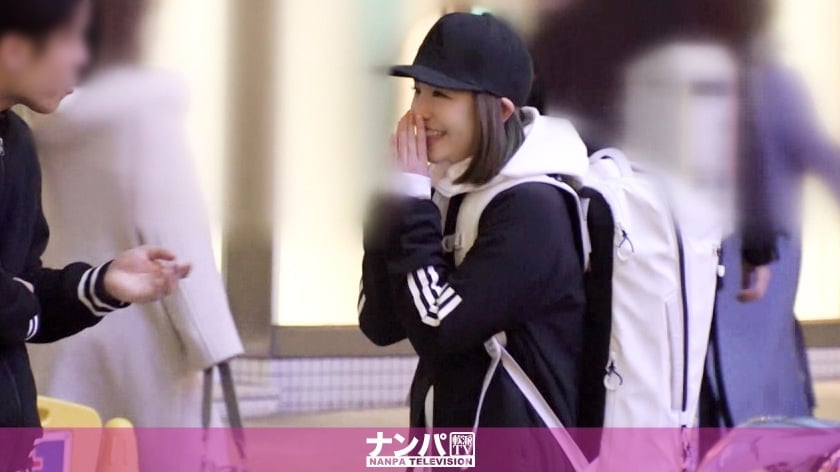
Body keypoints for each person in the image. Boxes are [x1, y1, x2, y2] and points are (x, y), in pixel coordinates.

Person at [359, 12, 588, 470]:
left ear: (500, 111)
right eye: (418, 91)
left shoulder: (533, 208)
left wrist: (410, 208)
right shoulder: (449, 192)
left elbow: (437, 325)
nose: (420, 111)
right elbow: (380, 323)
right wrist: (389, 208)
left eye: (441, 95)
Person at [27, 0, 243, 430]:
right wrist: (211, 344)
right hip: (145, 333)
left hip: (60, 326)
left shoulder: (36, 122)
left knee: (72, 448)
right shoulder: (145, 117)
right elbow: (176, 235)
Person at [0, 0, 190, 468]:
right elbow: (17, 304)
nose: (80, 60)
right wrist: (19, 305)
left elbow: (25, 290)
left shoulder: (18, 144)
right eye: (69, 39)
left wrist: (103, 284)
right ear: (15, 45)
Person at [701, 0, 840, 426]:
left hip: (745, 253)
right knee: (757, 380)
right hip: (750, 253)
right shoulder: (766, 81)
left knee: (743, 379)